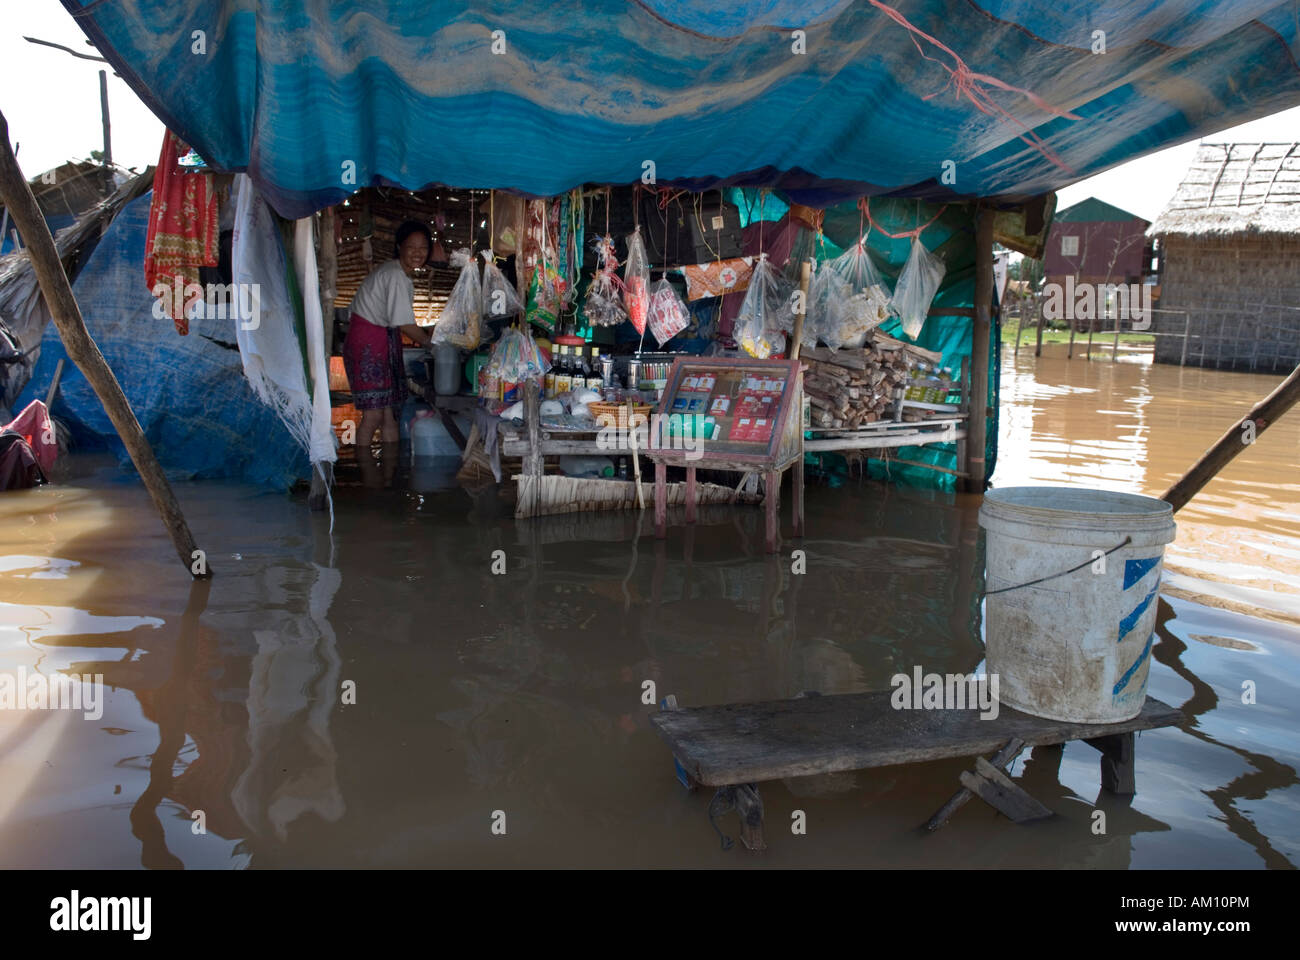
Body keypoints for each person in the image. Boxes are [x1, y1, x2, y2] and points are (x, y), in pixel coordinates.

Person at [342, 221, 434, 477]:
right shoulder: (394, 275)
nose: (418, 252)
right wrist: (431, 343)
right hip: (368, 343)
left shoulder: (398, 274)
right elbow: (404, 323)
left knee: (390, 413)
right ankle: (369, 479)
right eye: (411, 247)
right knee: (373, 415)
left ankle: (390, 477)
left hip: (380, 339)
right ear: (399, 247)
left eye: (423, 248)